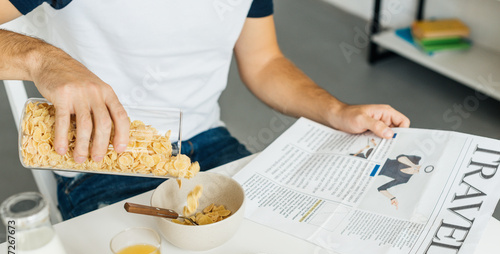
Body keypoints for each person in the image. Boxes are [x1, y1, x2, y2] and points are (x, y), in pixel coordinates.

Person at [0, 0, 410, 220]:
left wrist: (337, 111)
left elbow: (264, 61)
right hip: (101, 161)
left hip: (206, 145)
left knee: (292, 239)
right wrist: (40, 58)